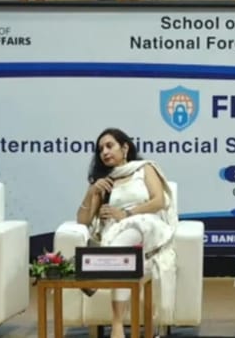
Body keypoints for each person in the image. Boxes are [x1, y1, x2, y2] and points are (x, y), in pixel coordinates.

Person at [75, 128, 177, 338]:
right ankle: (117, 325)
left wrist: (126, 214)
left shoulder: (144, 168)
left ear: (124, 147)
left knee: (135, 227)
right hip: (117, 235)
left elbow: (159, 201)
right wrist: (92, 191)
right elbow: (83, 221)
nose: (104, 152)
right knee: (125, 262)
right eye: (100, 149)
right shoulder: (105, 181)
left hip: (147, 226)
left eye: (109, 146)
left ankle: (96, 270)